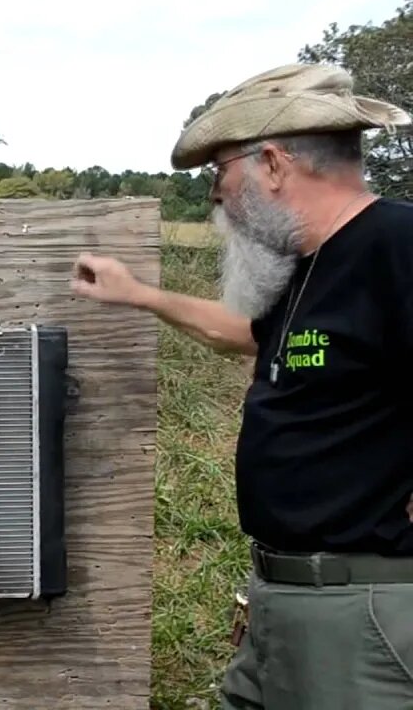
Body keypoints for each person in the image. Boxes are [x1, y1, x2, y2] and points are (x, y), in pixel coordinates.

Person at [71, 63, 413, 709]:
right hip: (288, 599)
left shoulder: (396, 244)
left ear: (275, 164)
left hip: (363, 612)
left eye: (221, 172)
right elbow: (251, 337)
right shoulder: (314, 267)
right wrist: (138, 294)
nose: (217, 196)